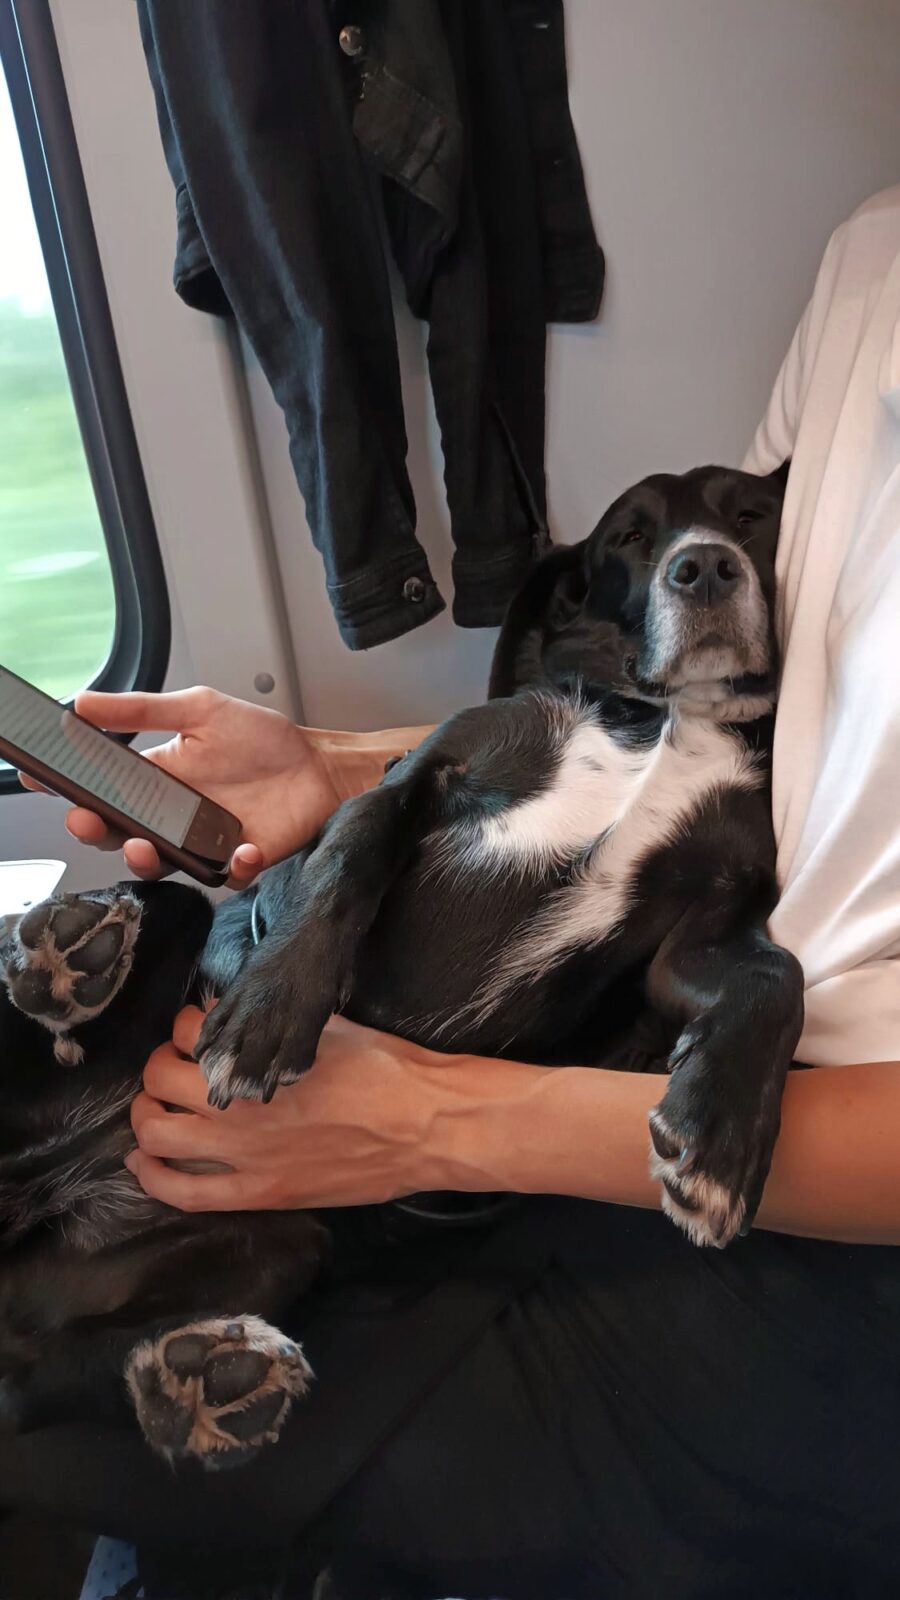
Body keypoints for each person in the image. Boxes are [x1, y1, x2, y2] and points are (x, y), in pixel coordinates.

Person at [12, 190, 900, 1598]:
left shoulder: (727, 871)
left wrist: (429, 1125)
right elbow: (718, 719)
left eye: (742, 526)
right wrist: (335, 766)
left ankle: (123, 1356)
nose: (714, 548)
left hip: (810, 1224)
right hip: (331, 1067)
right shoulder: (866, 253)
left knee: (170, 1437)